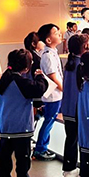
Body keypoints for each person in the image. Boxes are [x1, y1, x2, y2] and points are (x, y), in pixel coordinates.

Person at [0, 49, 49, 177]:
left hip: (5, 125)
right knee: (23, 157)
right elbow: (39, 89)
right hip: (21, 126)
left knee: (4, 156)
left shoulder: (4, 79)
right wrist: (40, 77)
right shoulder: (20, 82)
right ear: (26, 67)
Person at [61, 34, 89, 177]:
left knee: (71, 139)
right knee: (83, 141)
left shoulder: (69, 65)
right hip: (79, 109)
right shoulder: (82, 66)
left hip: (68, 108)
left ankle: (69, 168)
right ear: (85, 47)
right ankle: (84, 172)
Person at [33, 24, 63, 161]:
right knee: (49, 121)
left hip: (55, 95)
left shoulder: (52, 52)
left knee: (49, 121)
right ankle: (40, 149)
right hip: (53, 96)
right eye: (56, 33)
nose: (59, 34)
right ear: (48, 40)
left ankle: (43, 146)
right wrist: (64, 89)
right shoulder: (47, 55)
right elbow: (53, 76)